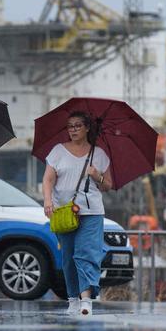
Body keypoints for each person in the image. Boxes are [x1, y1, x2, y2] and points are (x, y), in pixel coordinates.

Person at [42, 111, 112, 316]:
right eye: (70, 126)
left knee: (86, 254)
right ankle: (72, 299)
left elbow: (108, 185)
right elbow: (48, 179)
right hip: (63, 212)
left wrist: (97, 175)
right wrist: (47, 201)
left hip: (91, 212)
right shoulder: (57, 151)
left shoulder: (99, 154)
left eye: (77, 126)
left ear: (87, 128)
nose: (73, 130)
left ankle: (86, 300)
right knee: (68, 257)